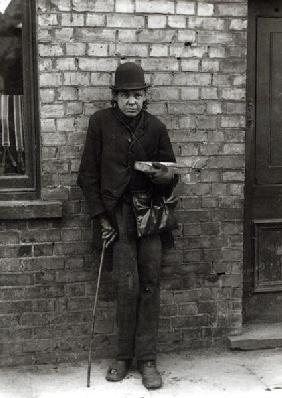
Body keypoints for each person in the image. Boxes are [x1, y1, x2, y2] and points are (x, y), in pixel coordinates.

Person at [77, 62, 178, 390]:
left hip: (150, 217)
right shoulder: (100, 124)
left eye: (137, 95)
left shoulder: (156, 128)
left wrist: (164, 177)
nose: (132, 101)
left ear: (145, 97)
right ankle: (122, 356)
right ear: (115, 97)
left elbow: (171, 176)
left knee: (149, 284)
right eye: (125, 95)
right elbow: (87, 176)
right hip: (117, 216)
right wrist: (101, 218)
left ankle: (147, 359)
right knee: (126, 286)